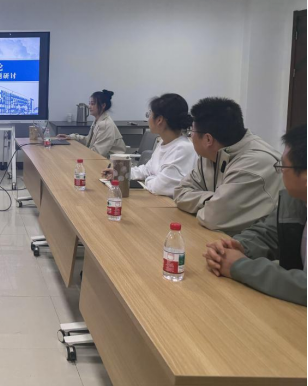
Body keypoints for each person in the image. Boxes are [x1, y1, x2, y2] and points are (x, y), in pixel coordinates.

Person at [203, 125, 307, 307]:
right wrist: (237, 247)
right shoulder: (297, 200)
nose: (280, 171)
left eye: (283, 166)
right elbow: (268, 233)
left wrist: (240, 266)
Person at [173, 98, 282, 236]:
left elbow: (213, 218)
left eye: (191, 131)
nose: (190, 136)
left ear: (208, 139)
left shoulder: (254, 164)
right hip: (224, 238)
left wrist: (213, 205)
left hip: (255, 245)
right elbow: (180, 192)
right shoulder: (211, 155)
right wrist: (213, 200)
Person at [102, 94, 196, 197]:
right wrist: (120, 173)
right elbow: (147, 170)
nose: (148, 119)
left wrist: (148, 179)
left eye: (149, 114)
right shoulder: (163, 142)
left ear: (159, 120)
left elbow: (160, 188)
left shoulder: (182, 149)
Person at [56, 89, 126, 158]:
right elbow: (88, 141)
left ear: (103, 105)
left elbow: (98, 153)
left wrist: (77, 152)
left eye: (92, 104)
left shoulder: (105, 124)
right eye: (89, 103)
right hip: (101, 159)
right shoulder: (98, 120)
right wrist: (71, 137)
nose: (89, 107)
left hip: (113, 162)